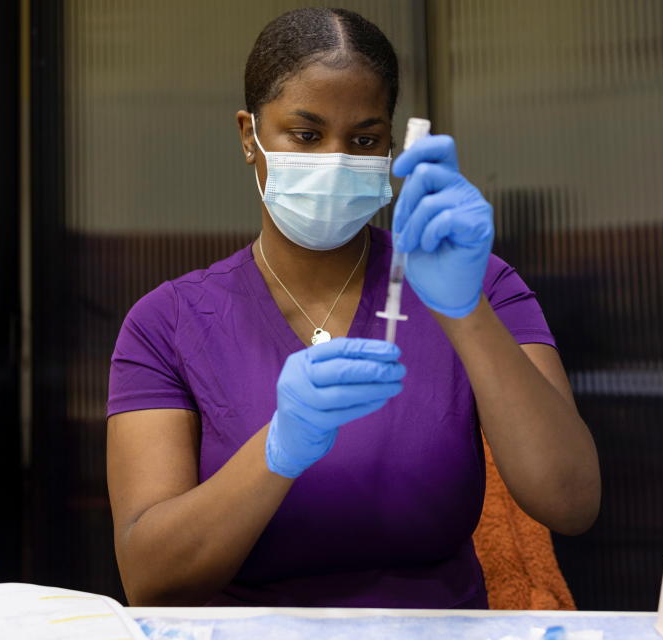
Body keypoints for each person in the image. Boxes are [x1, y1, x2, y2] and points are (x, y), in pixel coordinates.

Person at [106, 7, 600, 609]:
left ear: (391, 148)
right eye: (306, 134)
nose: (335, 158)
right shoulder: (167, 323)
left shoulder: (479, 286)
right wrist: (278, 449)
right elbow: (149, 579)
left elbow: (571, 502)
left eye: (363, 139)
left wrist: (465, 311)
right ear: (249, 136)